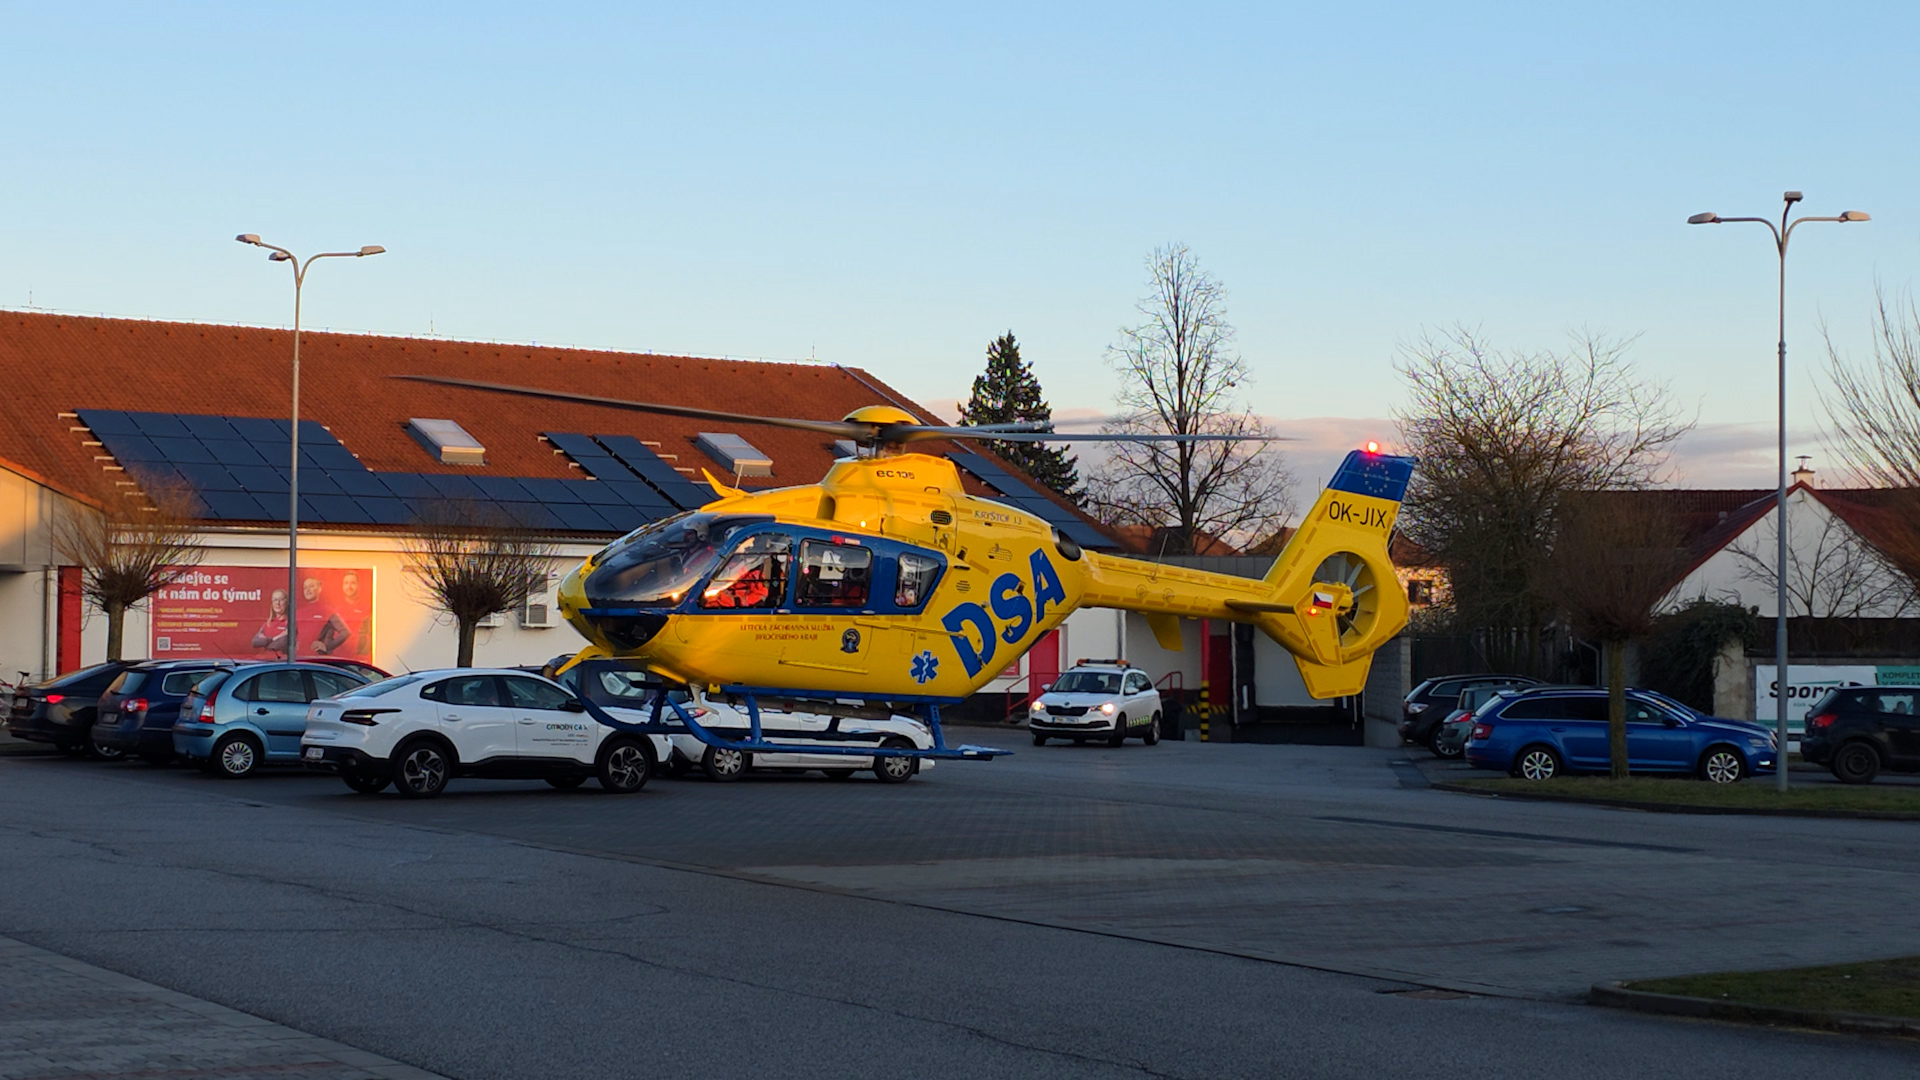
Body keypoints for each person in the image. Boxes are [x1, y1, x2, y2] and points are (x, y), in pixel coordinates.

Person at [296, 577, 351, 656]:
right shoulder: (299, 613)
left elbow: (345, 632)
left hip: (319, 661)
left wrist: (327, 647)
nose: (308, 590)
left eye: (311, 586)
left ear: (319, 589)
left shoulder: (327, 611)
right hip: (299, 659)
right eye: (305, 587)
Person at [335, 571, 371, 658]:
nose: (349, 587)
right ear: (342, 586)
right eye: (346, 583)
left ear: (358, 586)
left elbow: (371, 635)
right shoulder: (337, 610)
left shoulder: (367, 609)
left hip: (360, 659)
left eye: (353, 583)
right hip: (341, 658)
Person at [251, 589, 290, 656]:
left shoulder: (289, 623)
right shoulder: (268, 623)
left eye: (281, 599)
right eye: (275, 599)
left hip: (280, 662)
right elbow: (255, 642)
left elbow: (276, 646)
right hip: (265, 662)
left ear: (286, 603)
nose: (277, 603)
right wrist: (273, 638)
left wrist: (265, 641)